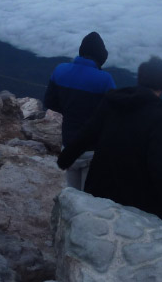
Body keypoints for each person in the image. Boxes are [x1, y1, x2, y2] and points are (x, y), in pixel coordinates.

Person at [57, 56, 162, 222]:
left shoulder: (112, 100)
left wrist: (65, 159)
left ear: (140, 79)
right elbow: (159, 163)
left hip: (100, 188)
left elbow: (88, 133)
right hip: (138, 199)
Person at [44, 32, 116, 190]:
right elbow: (114, 114)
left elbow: (49, 102)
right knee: (88, 200)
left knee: (71, 194)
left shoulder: (60, 70)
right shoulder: (105, 80)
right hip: (93, 150)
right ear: (101, 57)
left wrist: (70, 109)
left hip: (68, 146)